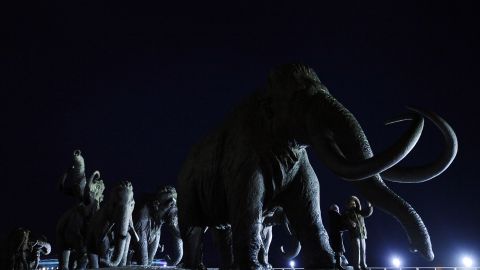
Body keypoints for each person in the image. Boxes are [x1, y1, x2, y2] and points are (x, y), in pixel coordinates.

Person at [344, 196, 373, 270]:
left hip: (362, 234)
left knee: (363, 250)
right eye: (351, 203)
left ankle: (363, 265)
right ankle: (357, 266)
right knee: (357, 250)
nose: (353, 205)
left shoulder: (359, 212)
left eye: (354, 203)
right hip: (354, 234)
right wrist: (350, 222)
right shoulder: (347, 213)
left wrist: (370, 206)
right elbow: (345, 220)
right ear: (348, 204)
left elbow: (368, 213)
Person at [328, 204, 349, 270]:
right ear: (336, 209)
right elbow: (340, 225)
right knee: (338, 250)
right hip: (337, 234)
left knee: (337, 249)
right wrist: (347, 228)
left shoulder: (331, 216)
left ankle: (337, 264)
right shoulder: (337, 215)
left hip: (333, 234)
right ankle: (338, 265)